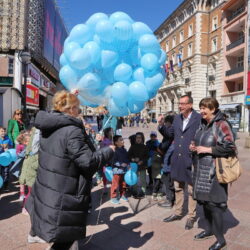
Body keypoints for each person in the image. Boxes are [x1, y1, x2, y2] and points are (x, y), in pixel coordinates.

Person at [25, 90, 114, 250]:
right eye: (78, 108)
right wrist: (109, 150)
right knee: (66, 239)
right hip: (65, 192)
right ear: (71, 109)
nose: (79, 112)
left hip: (51, 187)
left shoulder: (49, 125)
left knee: (63, 235)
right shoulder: (72, 131)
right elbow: (88, 162)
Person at [190, 97, 236, 250]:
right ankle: (209, 230)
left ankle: (220, 239)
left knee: (215, 206)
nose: (202, 111)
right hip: (200, 170)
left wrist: (208, 150)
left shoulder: (221, 124)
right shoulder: (202, 124)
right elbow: (199, 141)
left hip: (214, 172)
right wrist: (194, 146)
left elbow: (230, 147)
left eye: (205, 108)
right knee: (204, 204)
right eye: (201, 107)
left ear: (213, 109)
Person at [161, 95, 201, 230]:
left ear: (190, 105)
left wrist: (197, 145)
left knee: (191, 191)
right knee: (178, 188)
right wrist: (161, 125)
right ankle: (178, 213)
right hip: (177, 160)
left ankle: (191, 217)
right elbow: (170, 133)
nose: (180, 106)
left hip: (191, 159)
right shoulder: (177, 118)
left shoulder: (198, 118)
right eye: (179, 103)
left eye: (183, 104)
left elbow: (205, 135)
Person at [19, 127, 40, 215]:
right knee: (30, 194)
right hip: (31, 178)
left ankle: (28, 207)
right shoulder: (29, 153)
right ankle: (25, 207)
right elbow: (29, 166)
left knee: (33, 194)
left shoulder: (30, 152)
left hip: (32, 177)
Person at [128, 132, 149, 198]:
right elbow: (129, 155)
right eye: (137, 137)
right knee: (135, 179)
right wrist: (133, 159)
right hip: (135, 166)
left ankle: (143, 192)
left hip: (142, 166)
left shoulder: (145, 147)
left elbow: (147, 156)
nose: (138, 139)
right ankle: (134, 191)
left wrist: (142, 161)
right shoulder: (132, 146)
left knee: (143, 179)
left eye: (140, 137)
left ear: (142, 138)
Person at [110, 135, 130, 204]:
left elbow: (127, 159)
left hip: (124, 170)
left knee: (123, 184)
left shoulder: (124, 150)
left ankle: (122, 195)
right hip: (117, 171)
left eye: (122, 139)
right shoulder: (114, 151)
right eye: (120, 140)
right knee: (115, 184)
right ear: (116, 142)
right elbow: (113, 161)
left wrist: (128, 164)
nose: (123, 141)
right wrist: (120, 164)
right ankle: (113, 197)